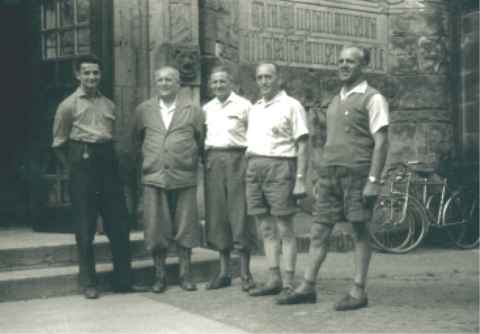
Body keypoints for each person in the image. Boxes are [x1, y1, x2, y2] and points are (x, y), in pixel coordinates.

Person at [277, 46, 389, 310]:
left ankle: (359, 291)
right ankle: (307, 286)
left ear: (364, 66)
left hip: (358, 175)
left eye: (350, 61)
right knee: (319, 231)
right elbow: (330, 141)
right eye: (340, 61)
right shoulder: (335, 100)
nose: (344, 65)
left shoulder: (373, 98)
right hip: (330, 176)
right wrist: (319, 174)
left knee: (359, 231)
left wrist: (374, 180)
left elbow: (382, 141)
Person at [52, 55, 134, 299]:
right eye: (86, 73)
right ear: (78, 75)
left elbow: (114, 137)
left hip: (107, 162)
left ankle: (123, 280)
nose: (91, 77)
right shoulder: (68, 105)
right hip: (83, 163)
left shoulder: (109, 104)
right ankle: (88, 282)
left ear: (100, 75)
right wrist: (73, 169)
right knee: (85, 226)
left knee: (118, 224)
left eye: (95, 73)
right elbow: (58, 143)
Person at [129, 66, 204, 293]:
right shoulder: (144, 110)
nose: (164, 83)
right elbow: (135, 140)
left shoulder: (193, 110)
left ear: (178, 83)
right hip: (155, 177)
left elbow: (201, 141)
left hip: (184, 177)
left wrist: (187, 160)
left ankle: (185, 274)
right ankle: (159, 276)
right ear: (155, 83)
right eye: (160, 79)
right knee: (156, 228)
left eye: (169, 80)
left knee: (186, 228)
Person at [246, 63, 309, 302]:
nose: (264, 81)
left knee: (284, 228)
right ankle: (273, 278)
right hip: (254, 168)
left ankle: (289, 282)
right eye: (260, 77)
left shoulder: (292, 106)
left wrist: (301, 179)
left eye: (268, 77)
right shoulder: (255, 108)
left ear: (278, 79)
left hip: (281, 167)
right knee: (266, 228)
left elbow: (302, 145)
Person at [202, 66, 257, 292]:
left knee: (239, 213)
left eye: (222, 81)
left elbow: (254, 135)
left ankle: (245, 273)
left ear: (231, 82)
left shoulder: (245, 106)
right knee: (218, 215)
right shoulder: (206, 109)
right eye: (214, 82)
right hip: (214, 159)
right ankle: (224, 272)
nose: (218, 86)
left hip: (238, 159)